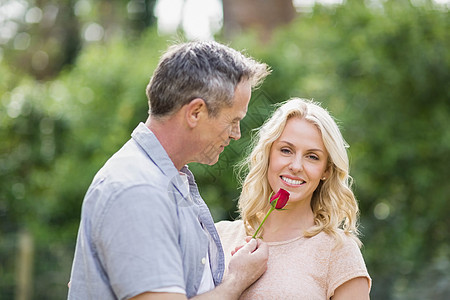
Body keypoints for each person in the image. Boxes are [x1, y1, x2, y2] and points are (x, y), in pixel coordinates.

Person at [68, 40, 271, 300]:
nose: (236, 134)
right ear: (195, 112)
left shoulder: (168, 179)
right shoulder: (137, 190)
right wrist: (236, 280)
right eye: (233, 120)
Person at [216, 98, 372, 299]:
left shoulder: (338, 250)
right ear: (268, 154)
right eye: (286, 150)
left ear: (326, 170)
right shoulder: (217, 236)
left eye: (312, 156)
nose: (296, 166)